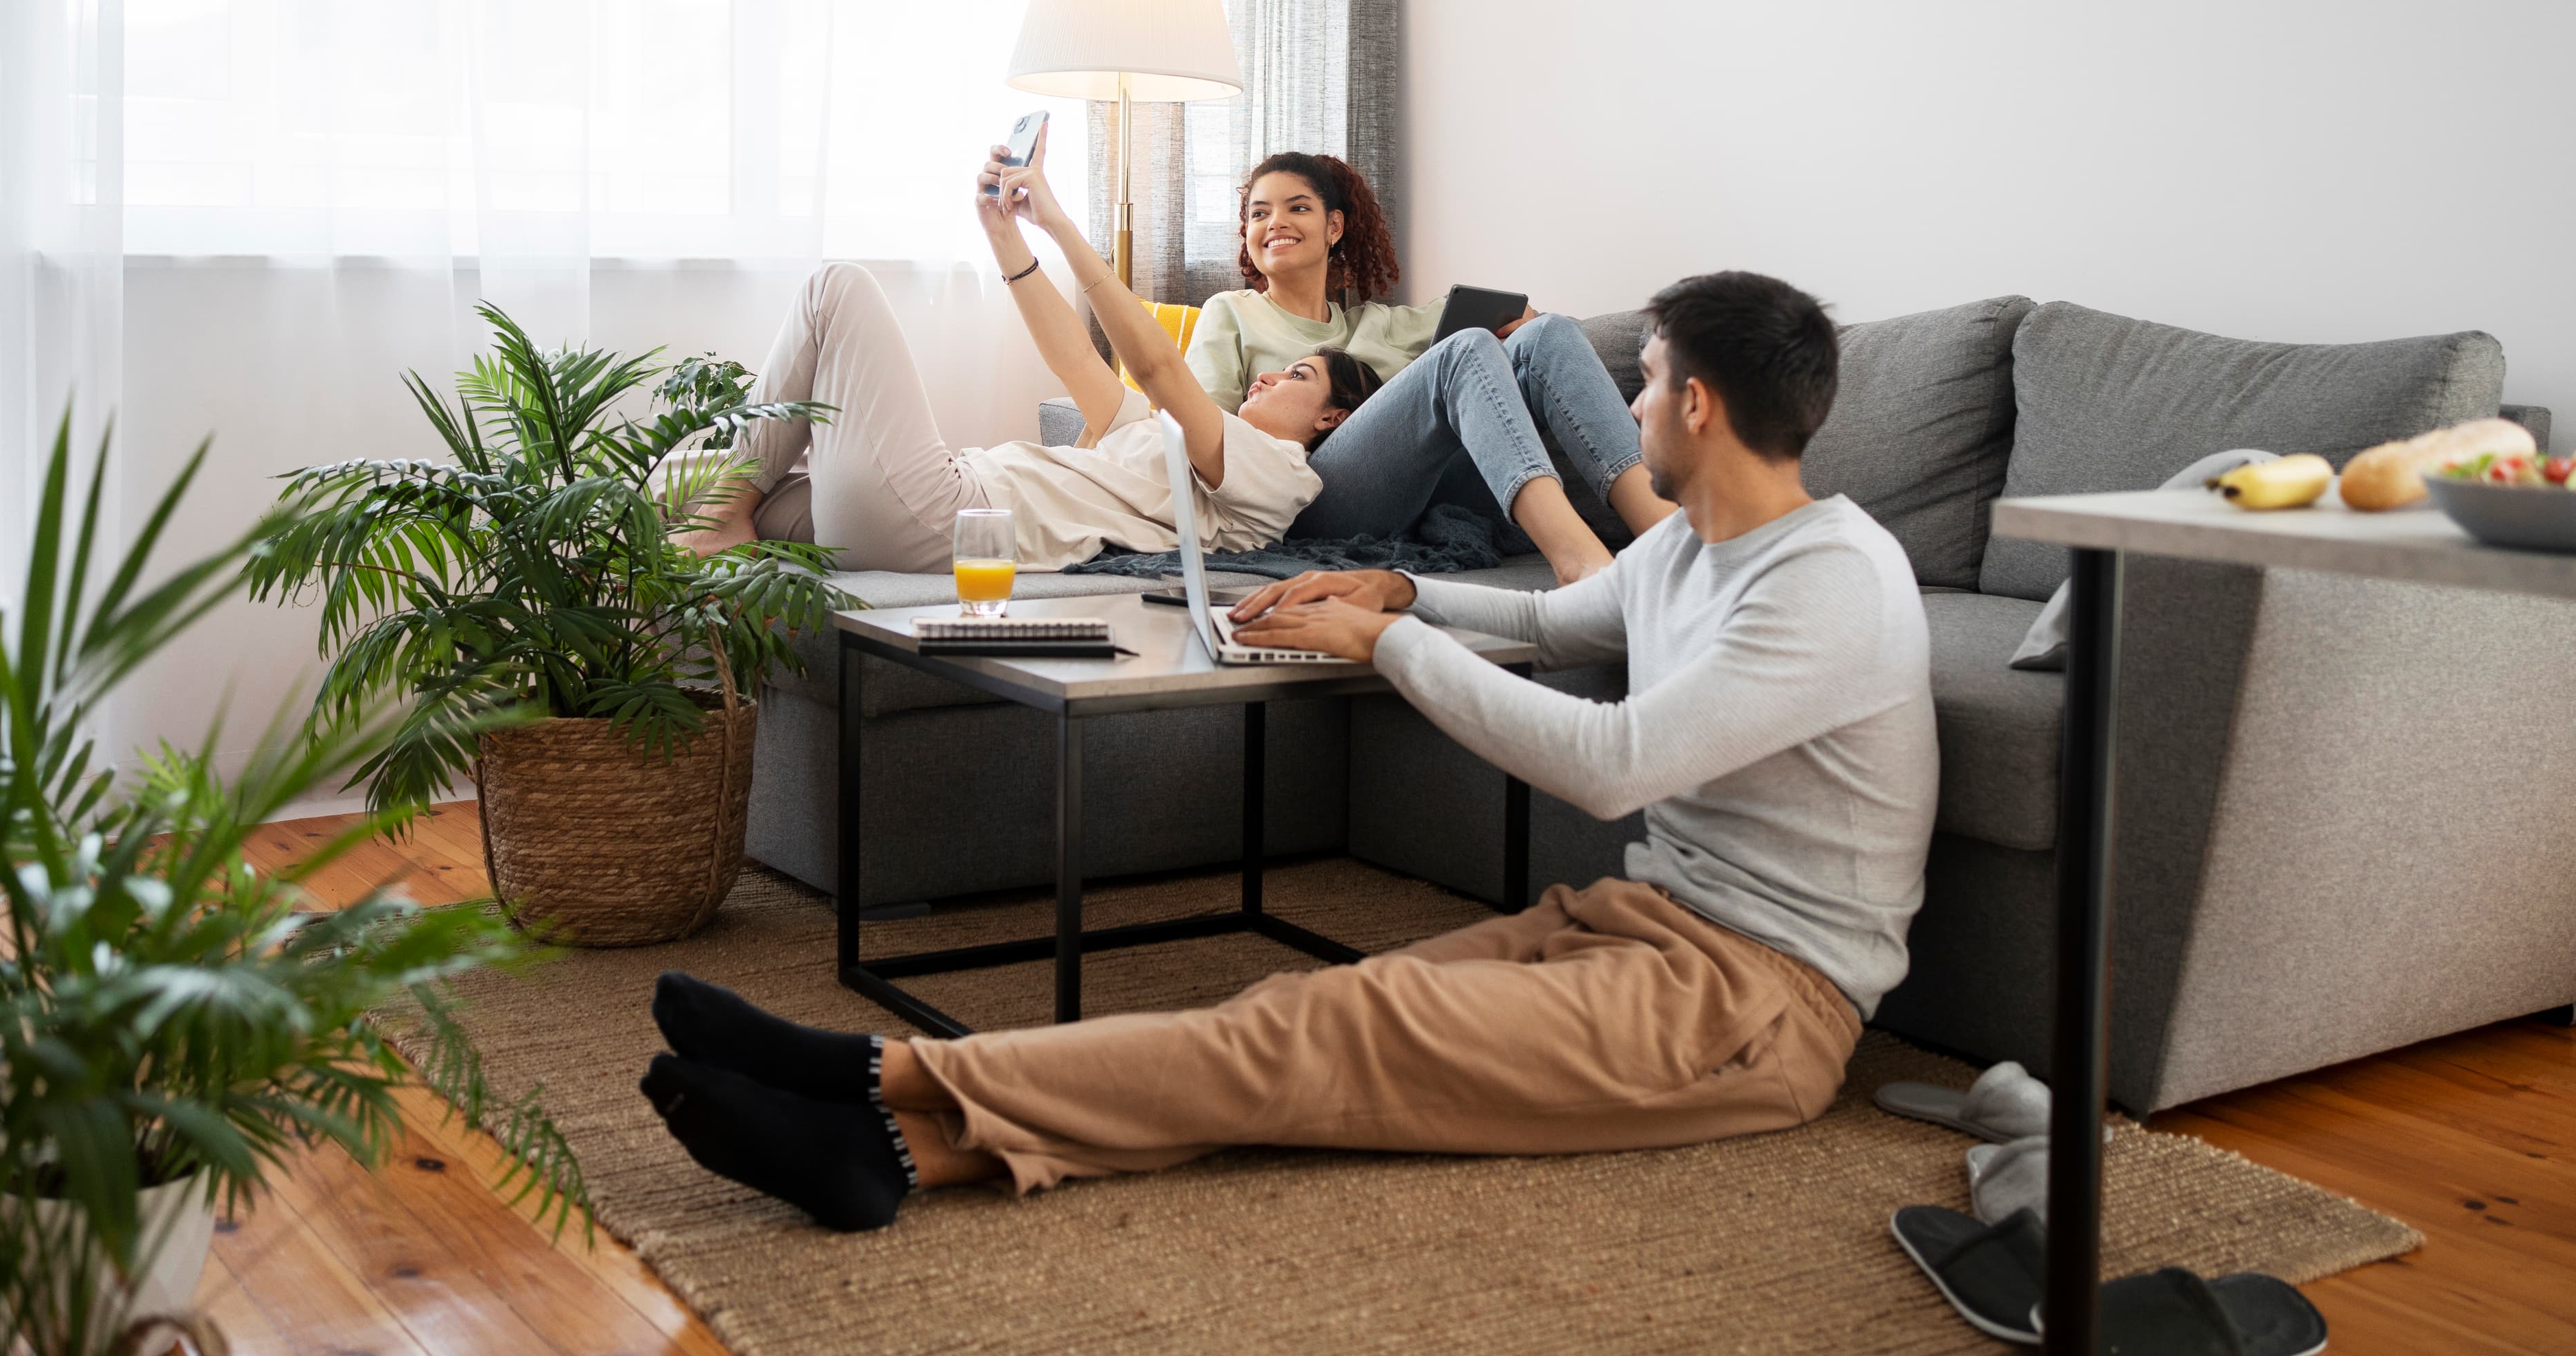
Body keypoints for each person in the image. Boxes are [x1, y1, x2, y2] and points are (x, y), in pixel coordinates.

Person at [636, 270, 1939, 1232]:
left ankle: (878, 1072)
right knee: (1293, 1024)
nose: (1628, 404)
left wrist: (1387, 652)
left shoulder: (1831, 580)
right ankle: (904, 1155)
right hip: (1641, 923)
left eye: (1642, 382)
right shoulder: (1687, 549)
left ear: (1696, 406)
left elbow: (1613, 763)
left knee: (1342, 1029)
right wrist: (1402, 593)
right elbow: (1549, 616)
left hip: (1763, 1008)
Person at [678, 128, 1381, 572]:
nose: (1262, 380)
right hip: (926, 501)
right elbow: (1077, 358)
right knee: (673, 481)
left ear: (1333, 419)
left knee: (835, 289)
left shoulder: (1277, 474)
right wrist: (1003, 232)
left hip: (949, 516)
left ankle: (719, 521)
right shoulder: (1164, 441)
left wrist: (1058, 220)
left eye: (1296, 373)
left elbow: (1160, 366)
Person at [1185, 153, 1675, 585]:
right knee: (1464, 350)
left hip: (1425, 492)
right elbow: (1205, 433)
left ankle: (1672, 543)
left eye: (1297, 207)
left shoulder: (1388, 323)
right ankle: (1579, 562)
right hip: (1306, 498)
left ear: (1334, 227)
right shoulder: (1230, 312)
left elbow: (1533, 330)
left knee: (1549, 333)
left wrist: (1526, 320)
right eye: (1258, 213)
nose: (1275, 223)